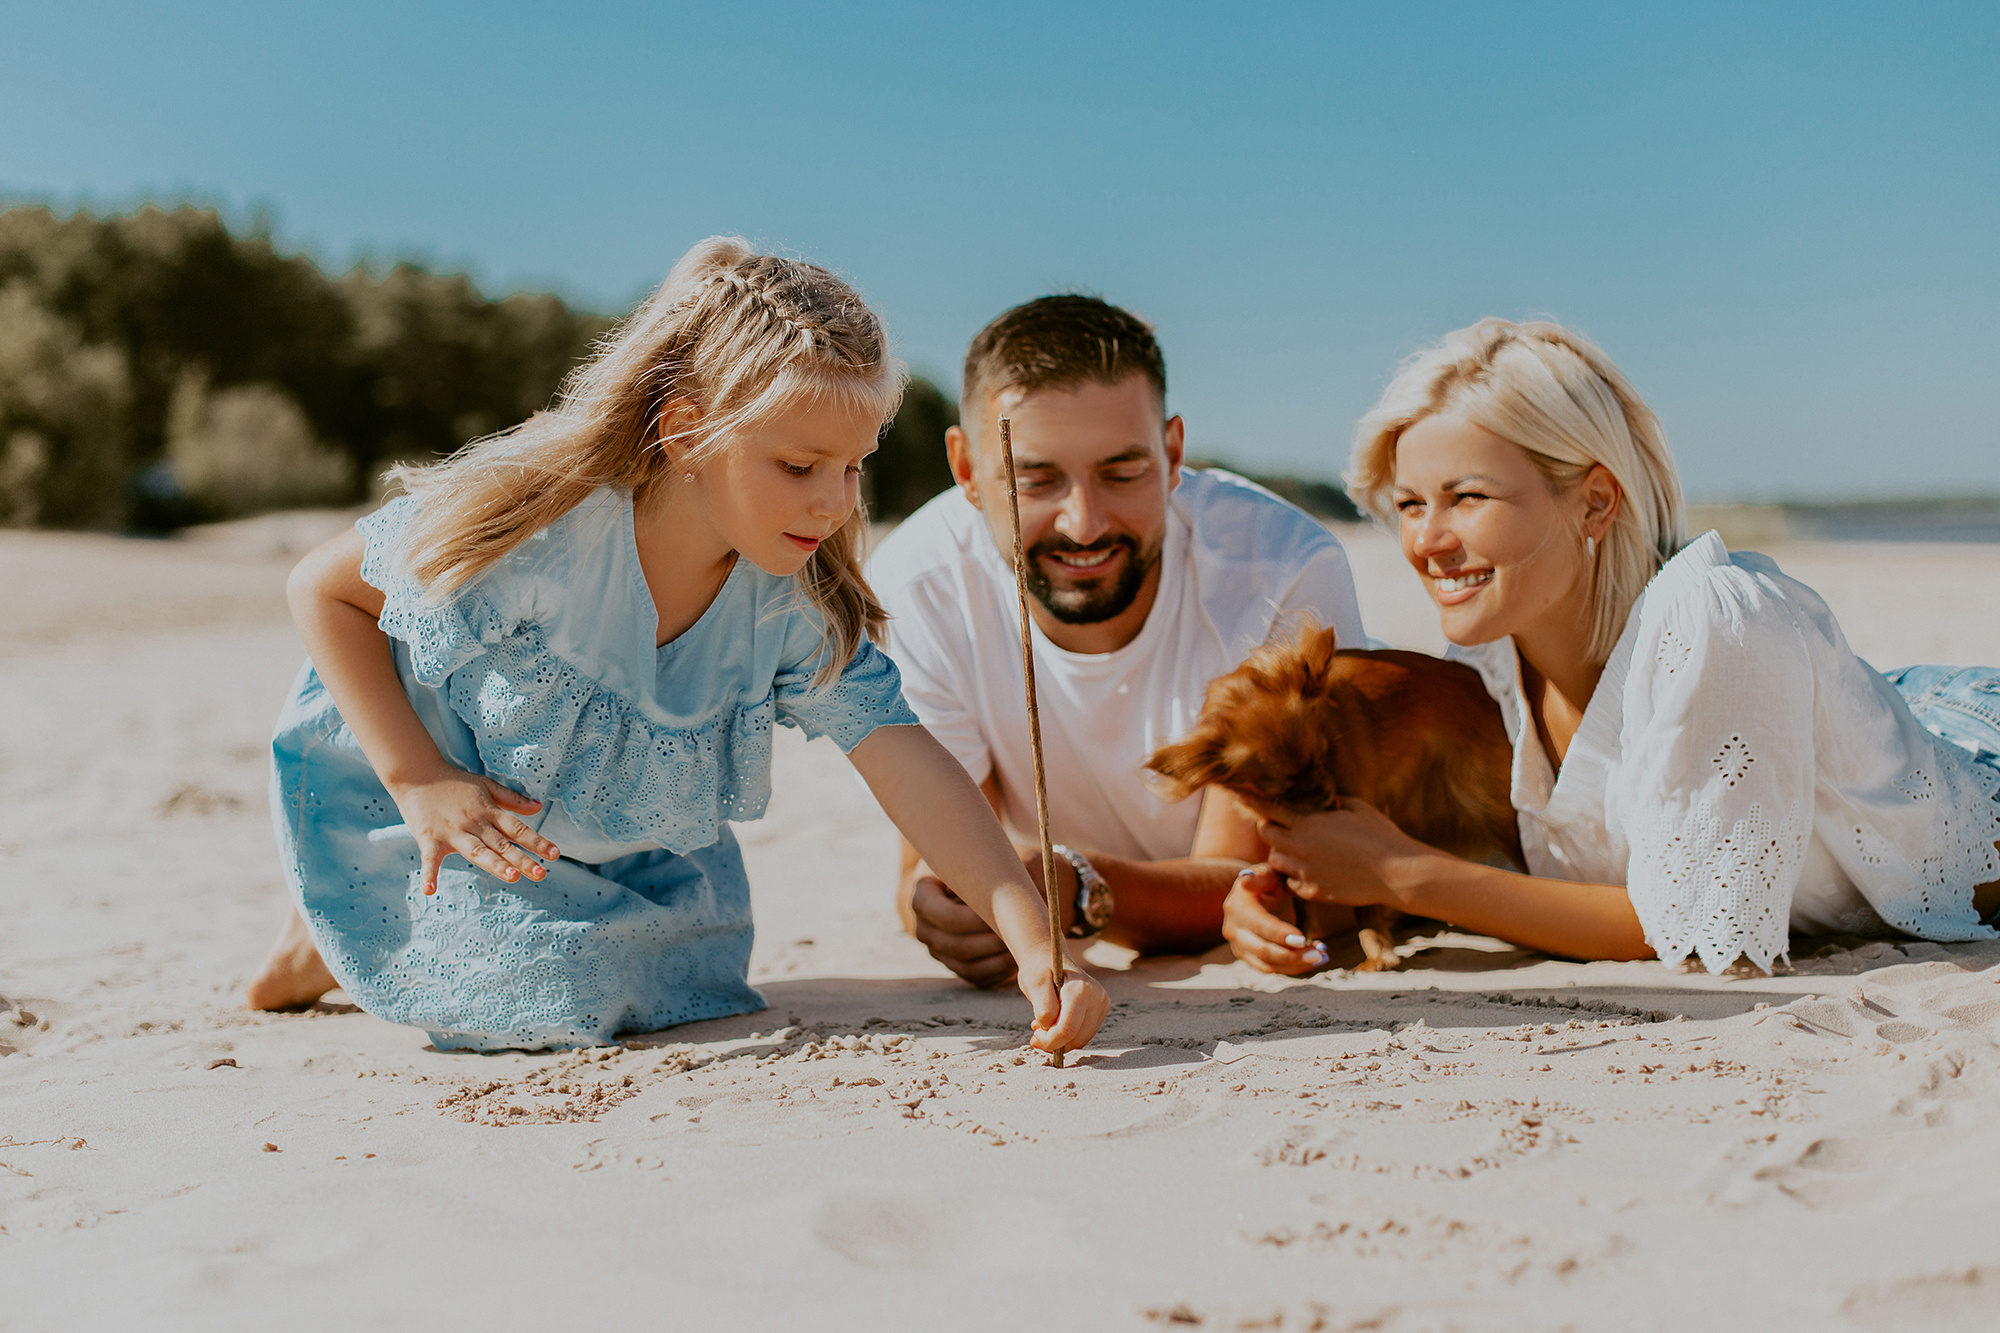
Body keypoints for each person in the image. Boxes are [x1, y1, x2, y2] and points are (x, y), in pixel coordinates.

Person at [245, 237, 1106, 1054]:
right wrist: (419, 781)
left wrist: (1035, 942)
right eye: (800, 467)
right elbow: (321, 589)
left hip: (592, 840)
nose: (835, 503)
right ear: (688, 431)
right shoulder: (551, 528)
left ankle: (371, 934)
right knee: (549, 991)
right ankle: (333, 930)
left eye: (854, 467)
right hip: (430, 809)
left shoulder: (788, 602)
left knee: (692, 968)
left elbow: (904, 758)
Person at [1225, 318, 2000, 976]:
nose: (1426, 540)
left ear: (1594, 502)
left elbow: (1691, 936)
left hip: (1969, 745)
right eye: (1408, 504)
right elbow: (1485, 872)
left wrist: (1405, 874)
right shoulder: (1490, 670)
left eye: (1468, 496)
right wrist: (1292, 898)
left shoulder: (1715, 624)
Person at [869, 295, 1367, 985]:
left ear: (1172, 453)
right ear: (965, 469)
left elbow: (1247, 881)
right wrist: (942, 907)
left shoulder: (1283, 571)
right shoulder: (915, 581)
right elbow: (935, 863)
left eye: (1122, 472)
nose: (1083, 523)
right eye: (1036, 478)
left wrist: (1073, 887)